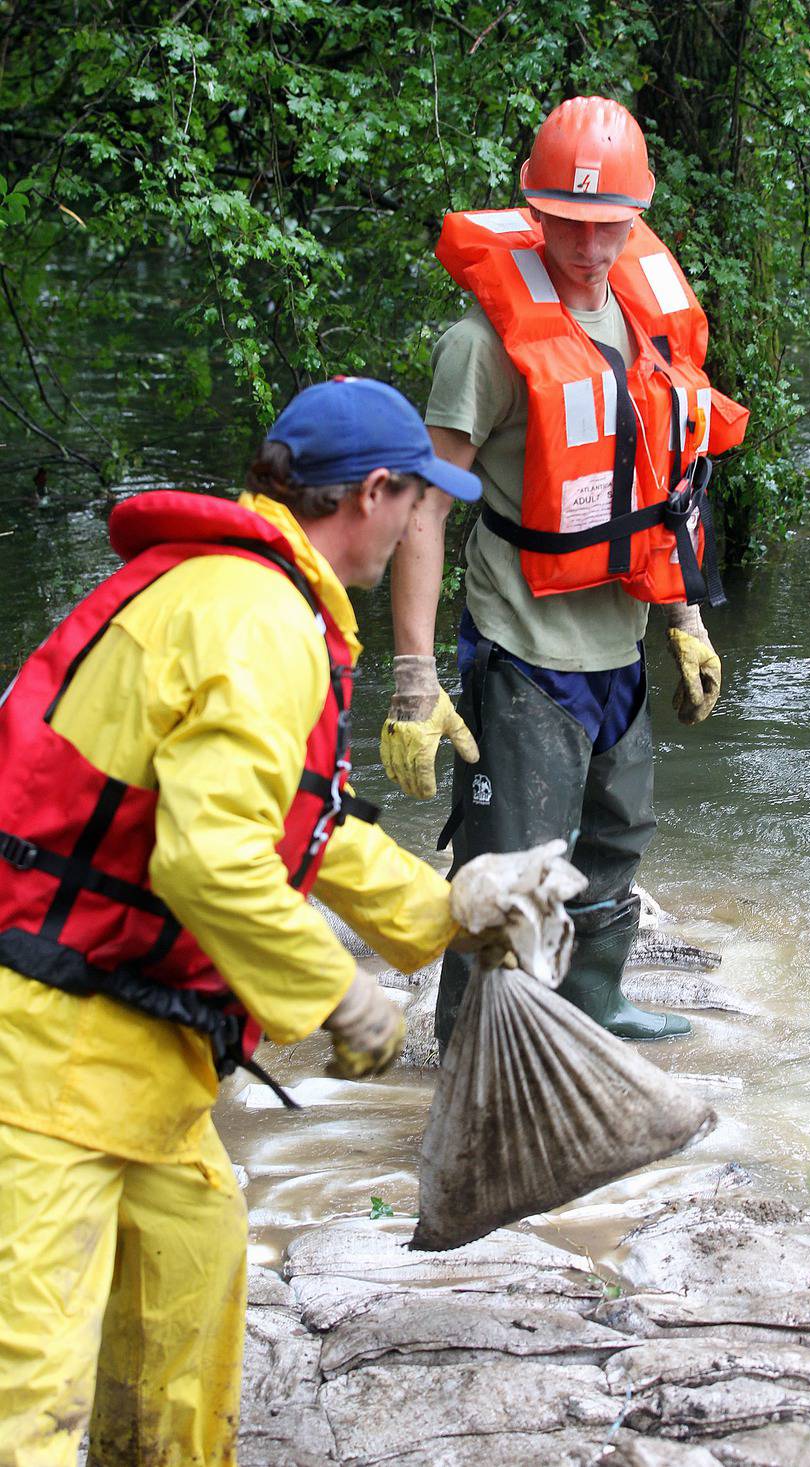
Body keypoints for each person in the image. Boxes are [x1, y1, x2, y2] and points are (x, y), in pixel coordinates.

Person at [0, 376, 497, 1465]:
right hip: (44, 1061)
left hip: (135, 1057)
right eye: (419, 502)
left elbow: (291, 823)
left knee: (192, 1285)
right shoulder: (257, 616)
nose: (422, 526)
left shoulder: (244, 592)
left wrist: (448, 906)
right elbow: (209, 858)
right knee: (25, 1402)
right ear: (373, 493)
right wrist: (339, 996)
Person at [381, 96, 749, 1052]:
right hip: (522, 646)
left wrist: (685, 620)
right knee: (513, 869)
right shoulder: (483, 345)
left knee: (618, 834)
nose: (589, 248)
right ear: (533, 214)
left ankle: (593, 1000)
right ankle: (473, 1049)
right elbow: (425, 509)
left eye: (609, 227)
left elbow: (661, 487)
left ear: (638, 219)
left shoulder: (641, 318)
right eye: (569, 225)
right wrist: (414, 682)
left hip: (618, 634)